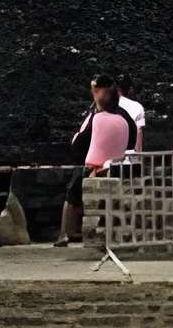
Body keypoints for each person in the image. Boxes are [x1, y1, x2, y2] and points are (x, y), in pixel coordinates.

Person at [60, 79, 140, 245]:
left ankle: (66, 233)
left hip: (95, 166)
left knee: (73, 189)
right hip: (121, 165)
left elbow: (79, 143)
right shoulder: (125, 116)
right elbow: (132, 142)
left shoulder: (97, 118)